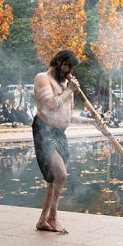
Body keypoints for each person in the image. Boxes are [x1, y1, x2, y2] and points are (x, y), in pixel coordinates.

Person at [32, 49, 101, 233]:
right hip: (44, 131)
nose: (69, 71)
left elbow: (68, 116)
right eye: (67, 66)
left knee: (53, 180)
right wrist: (70, 90)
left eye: (71, 68)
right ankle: (53, 218)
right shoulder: (43, 78)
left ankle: (43, 220)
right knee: (61, 174)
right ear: (58, 61)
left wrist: (92, 121)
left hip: (60, 134)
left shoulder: (65, 84)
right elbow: (51, 105)